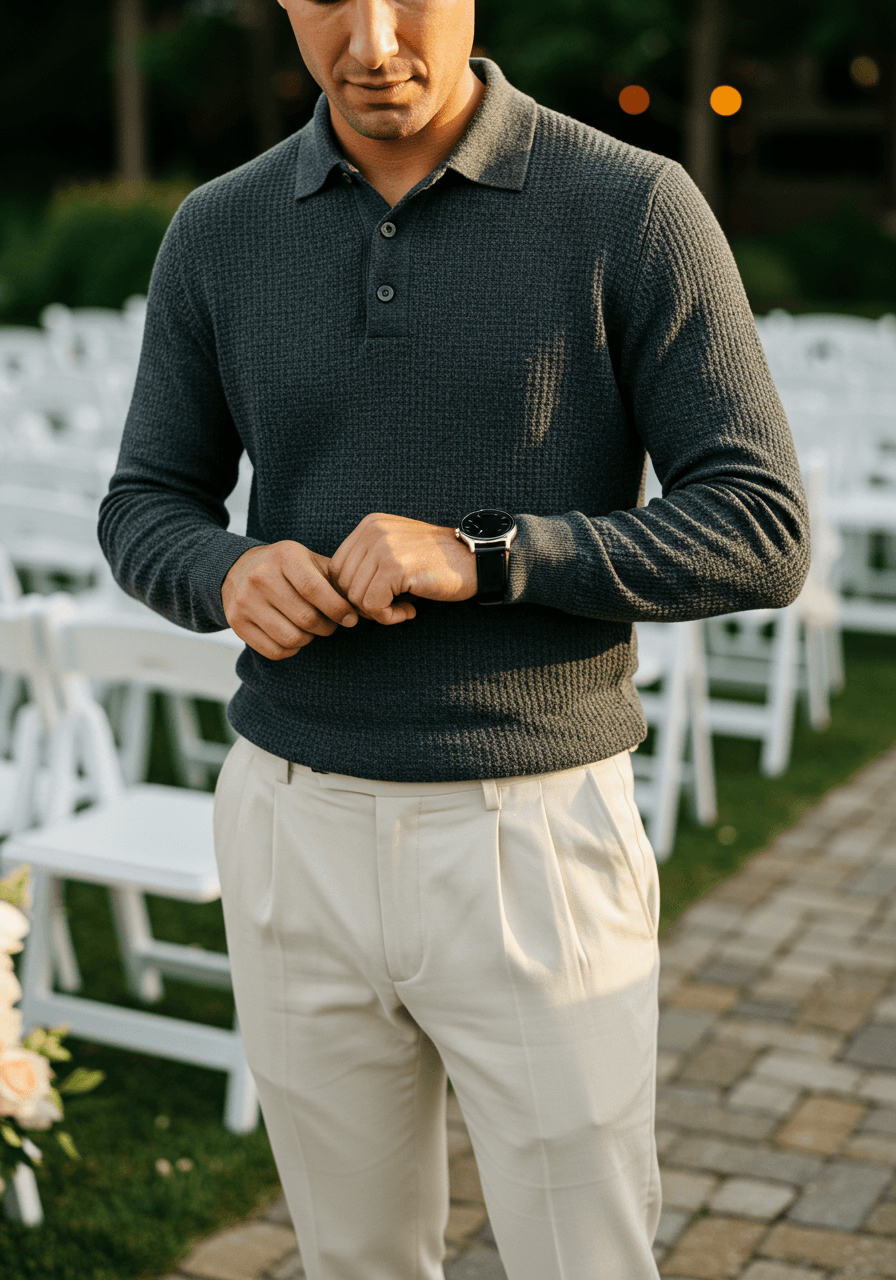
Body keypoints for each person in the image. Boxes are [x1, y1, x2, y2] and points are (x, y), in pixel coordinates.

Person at [97, 0, 810, 1276]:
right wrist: (225, 570)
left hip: (529, 834)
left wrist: (490, 554)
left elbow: (760, 525)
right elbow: (145, 500)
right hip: (289, 823)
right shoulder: (218, 227)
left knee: (582, 1259)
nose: (372, 42)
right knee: (351, 1259)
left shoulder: (631, 205)